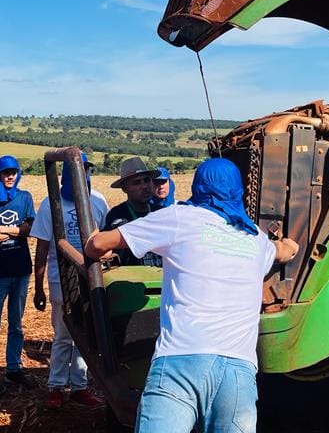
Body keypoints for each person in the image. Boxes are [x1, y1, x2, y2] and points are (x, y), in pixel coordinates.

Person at [84, 158, 300, 433]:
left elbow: (98, 244)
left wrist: (92, 243)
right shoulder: (256, 238)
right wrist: (290, 244)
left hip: (180, 360)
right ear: (239, 191)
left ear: (198, 187)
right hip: (238, 371)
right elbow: (285, 251)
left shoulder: (179, 217)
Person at [32, 153, 108, 410]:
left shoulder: (98, 201)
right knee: (64, 335)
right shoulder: (50, 204)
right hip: (61, 278)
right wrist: (39, 286)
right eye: (77, 169)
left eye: (85, 170)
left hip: (92, 276)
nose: (82, 175)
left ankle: (79, 387)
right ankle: (55, 386)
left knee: (86, 336)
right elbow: (42, 247)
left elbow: (106, 237)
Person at [0, 155, 36, 399]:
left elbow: (30, 229)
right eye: (5, 172)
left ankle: (14, 368)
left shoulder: (25, 198)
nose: (10, 176)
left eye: (13, 172)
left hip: (21, 268)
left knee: (16, 323)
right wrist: (15, 231)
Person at [104, 157, 162, 266]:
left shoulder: (162, 213)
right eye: (137, 182)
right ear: (124, 188)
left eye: (147, 180)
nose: (144, 186)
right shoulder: (116, 215)